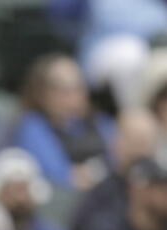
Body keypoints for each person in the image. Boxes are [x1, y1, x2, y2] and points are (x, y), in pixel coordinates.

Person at [13, 54, 114, 191]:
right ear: (41, 93)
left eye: (78, 88)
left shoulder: (100, 122)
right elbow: (59, 178)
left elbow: (120, 161)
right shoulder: (32, 126)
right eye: (62, 90)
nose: (72, 97)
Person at [71, 108, 159, 230]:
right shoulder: (98, 187)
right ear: (116, 142)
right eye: (132, 140)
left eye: (144, 142)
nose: (138, 150)